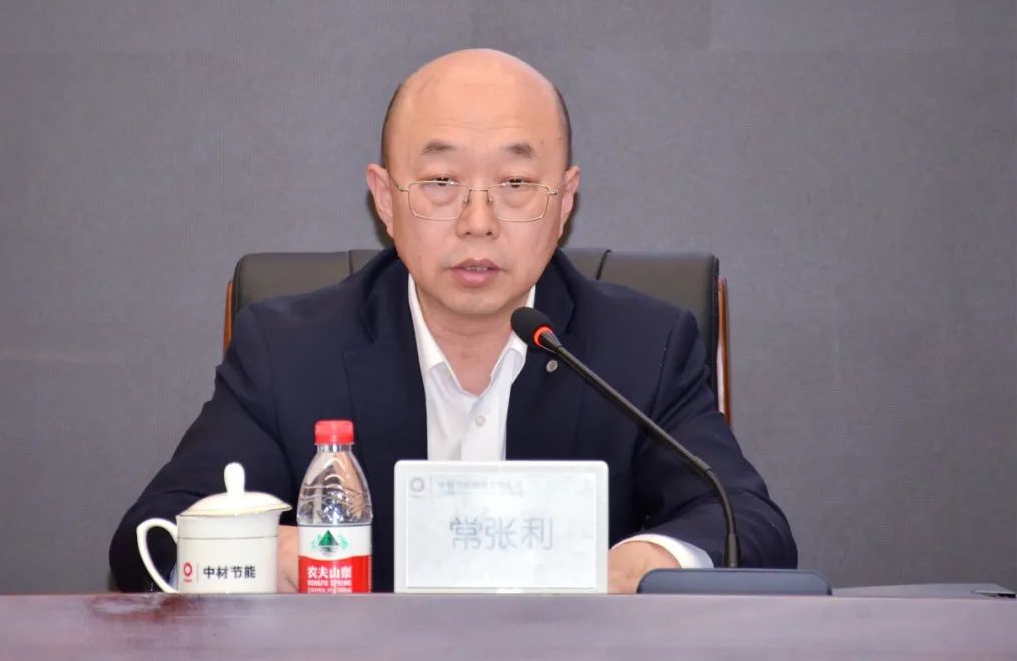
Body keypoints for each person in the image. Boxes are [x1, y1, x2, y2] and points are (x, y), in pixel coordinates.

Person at [110, 48, 796, 593]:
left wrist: (638, 566)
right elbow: (149, 539)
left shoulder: (643, 349)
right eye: (441, 183)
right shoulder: (288, 351)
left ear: (564, 202)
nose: (477, 221)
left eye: (515, 184)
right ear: (385, 199)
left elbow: (749, 526)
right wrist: (272, 553)